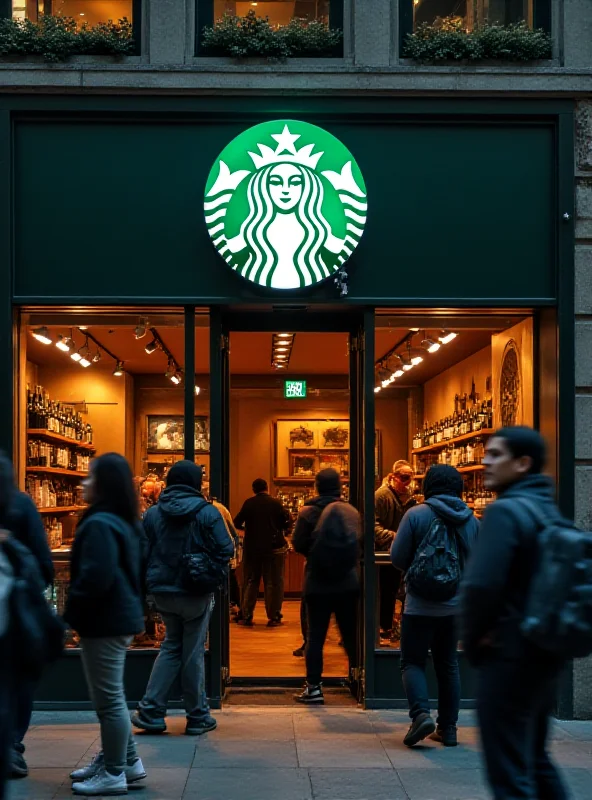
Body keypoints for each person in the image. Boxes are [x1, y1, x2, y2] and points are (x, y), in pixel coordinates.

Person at [461, 427, 568, 799]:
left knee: (508, 773)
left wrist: (474, 644)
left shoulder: (504, 511)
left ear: (522, 463)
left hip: (507, 655)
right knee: (536, 760)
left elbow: (480, 587)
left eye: (496, 455)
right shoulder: (547, 509)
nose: (486, 460)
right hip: (544, 655)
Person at [64, 453, 146, 797]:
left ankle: (114, 772)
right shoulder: (125, 520)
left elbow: (95, 578)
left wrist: (69, 618)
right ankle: (126, 760)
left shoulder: (99, 523)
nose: (84, 482)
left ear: (103, 483)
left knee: (108, 700)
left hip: (105, 619)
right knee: (113, 695)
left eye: (89, 476)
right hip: (120, 615)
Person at [132, 462, 234, 736]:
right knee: (192, 652)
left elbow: (142, 552)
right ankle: (197, 716)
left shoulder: (152, 514)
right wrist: (205, 562)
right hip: (195, 590)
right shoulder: (207, 512)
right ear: (195, 482)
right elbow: (227, 548)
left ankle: (152, 711)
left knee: (171, 646)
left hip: (163, 592)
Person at [391, 465, 478, 747]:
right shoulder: (471, 520)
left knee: (412, 661)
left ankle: (420, 716)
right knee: (448, 663)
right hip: (455, 606)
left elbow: (397, 557)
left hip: (419, 605)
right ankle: (448, 728)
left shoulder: (415, 514)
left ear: (429, 485)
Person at [0, 453, 54, 781]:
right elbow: (44, 567)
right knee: (17, 684)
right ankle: (11, 746)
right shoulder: (21, 507)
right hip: (13, 621)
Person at [292, 469, 361, 704]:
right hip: (348, 582)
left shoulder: (308, 511)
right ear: (340, 486)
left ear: (316, 486)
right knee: (350, 635)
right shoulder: (351, 511)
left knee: (316, 637)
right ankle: (359, 680)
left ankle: (314, 688)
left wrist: (316, 555)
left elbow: (297, 542)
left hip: (318, 582)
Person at [233, 478, 291, 626]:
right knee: (273, 582)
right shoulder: (276, 503)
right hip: (274, 548)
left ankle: (246, 615)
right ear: (267, 488)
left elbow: (237, 522)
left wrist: (249, 531)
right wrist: (281, 531)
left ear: (254, 489)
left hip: (252, 547)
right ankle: (273, 616)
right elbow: (288, 521)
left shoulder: (249, 503)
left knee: (250, 581)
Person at [375, 460, 416, 642]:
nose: (408, 482)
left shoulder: (405, 497)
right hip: (382, 552)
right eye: (405, 478)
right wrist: (393, 536)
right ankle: (384, 626)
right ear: (394, 477)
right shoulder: (382, 496)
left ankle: (388, 625)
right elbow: (372, 525)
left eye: (411, 478)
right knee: (385, 590)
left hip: (397, 550)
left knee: (393, 590)